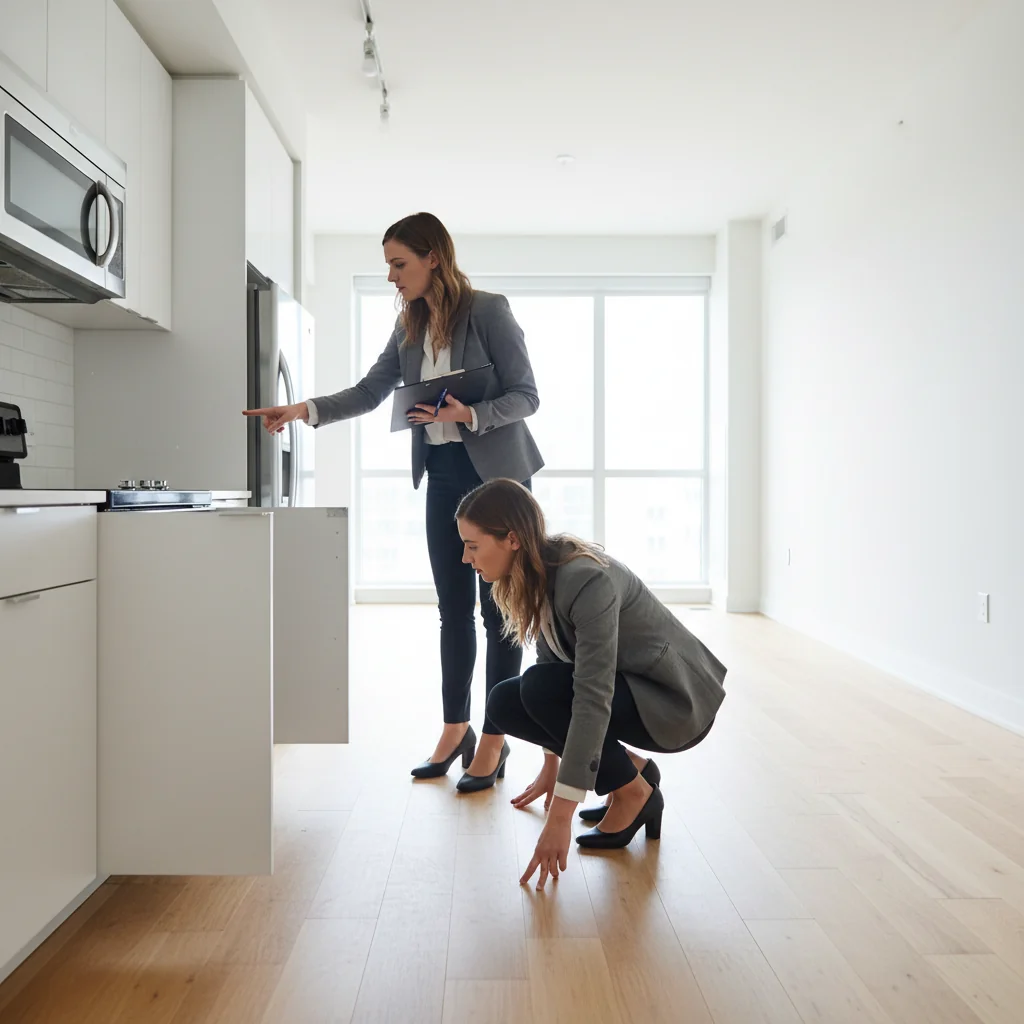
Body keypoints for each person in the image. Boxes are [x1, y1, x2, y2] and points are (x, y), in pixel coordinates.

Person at [244, 213, 544, 792]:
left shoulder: (489, 311)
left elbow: (527, 395)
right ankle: (454, 727)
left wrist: (469, 413)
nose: (391, 276)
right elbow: (369, 391)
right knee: (451, 609)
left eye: (398, 263)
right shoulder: (410, 327)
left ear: (434, 257)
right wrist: (301, 410)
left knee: (498, 612)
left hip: (499, 483)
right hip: (443, 476)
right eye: (387, 265)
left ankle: (494, 738)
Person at [454, 479, 727, 888]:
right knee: (505, 700)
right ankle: (630, 772)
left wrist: (560, 815)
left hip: (675, 705)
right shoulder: (536, 570)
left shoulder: (584, 579)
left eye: (473, 545)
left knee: (538, 689)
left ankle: (635, 793)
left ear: (511, 538)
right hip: (628, 690)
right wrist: (552, 764)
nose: (464, 557)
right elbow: (553, 665)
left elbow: (590, 694)